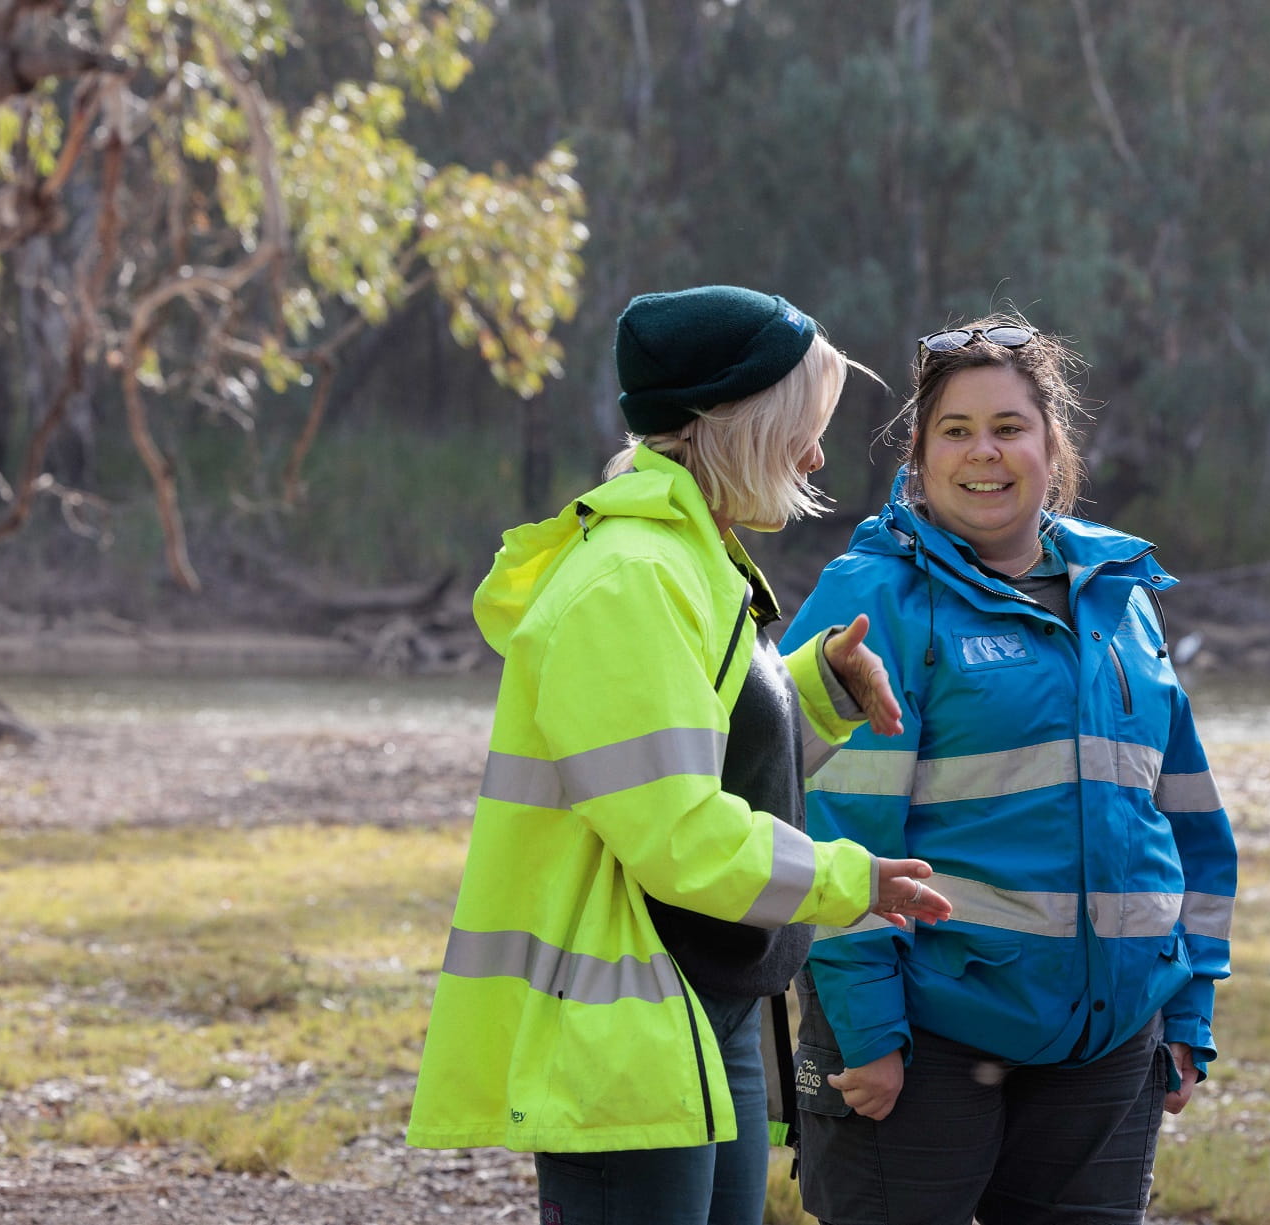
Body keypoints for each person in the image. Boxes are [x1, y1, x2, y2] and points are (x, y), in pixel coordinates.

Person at [404, 285, 952, 1225]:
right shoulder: (633, 577)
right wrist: (850, 879)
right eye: (803, 426)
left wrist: (812, 692)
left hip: (704, 1011)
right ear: (732, 426)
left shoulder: (697, 558)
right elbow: (675, 831)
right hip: (628, 1033)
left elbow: (704, 756)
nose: (818, 455)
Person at [780, 315, 1236, 1225]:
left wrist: (1187, 1001)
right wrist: (867, 1029)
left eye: (1008, 427)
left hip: (1109, 1041)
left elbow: (1183, 819)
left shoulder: (1121, 597)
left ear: (1052, 441)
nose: (983, 453)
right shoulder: (874, 598)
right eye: (955, 430)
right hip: (923, 1035)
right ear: (918, 453)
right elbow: (832, 829)